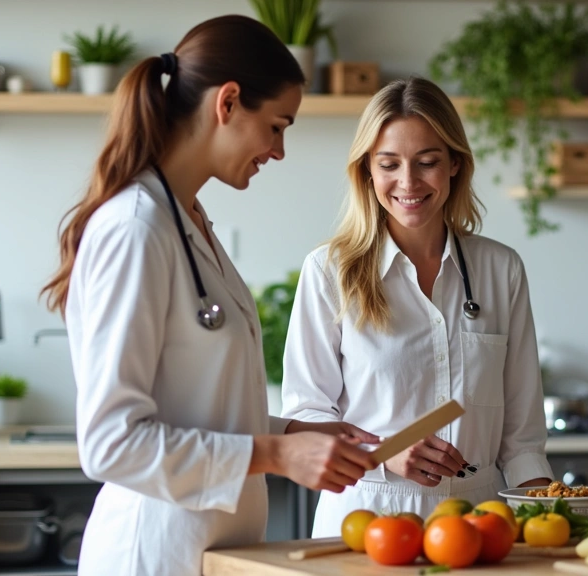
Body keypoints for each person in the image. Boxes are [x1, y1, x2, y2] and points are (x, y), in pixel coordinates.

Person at [39, 15, 376, 576]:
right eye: (276, 125)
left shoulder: (188, 222)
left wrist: (294, 432)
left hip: (208, 552)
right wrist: (277, 455)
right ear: (228, 102)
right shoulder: (135, 229)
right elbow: (110, 444)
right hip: (151, 554)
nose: (279, 149)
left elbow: (199, 406)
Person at [281, 77, 554, 537]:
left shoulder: (500, 269)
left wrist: (553, 518)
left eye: (427, 162)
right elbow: (306, 415)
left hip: (478, 525)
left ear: (454, 165)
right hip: (365, 522)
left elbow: (522, 434)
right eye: (389, 164)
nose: (408, 182)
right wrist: (385, 453)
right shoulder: (329, 271)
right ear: (367, 170)